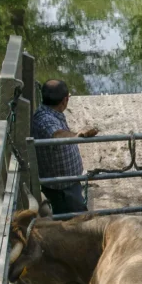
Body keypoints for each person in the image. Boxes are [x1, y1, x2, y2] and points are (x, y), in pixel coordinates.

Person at [31, 79, 99, 215]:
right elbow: (56, 134)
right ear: (65, 100)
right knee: (76, 220)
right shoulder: (44, 120)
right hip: (61, 188)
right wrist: (77, 134)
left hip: (68, 183)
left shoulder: (49, 112)